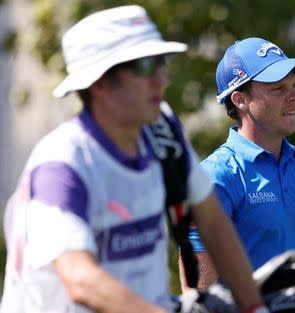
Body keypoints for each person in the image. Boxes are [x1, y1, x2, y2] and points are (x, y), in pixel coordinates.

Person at [0, 6, 267, 313]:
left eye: (161, 62)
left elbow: (213, 221)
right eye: (144, 66)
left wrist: (255, 308)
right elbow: (80, 278)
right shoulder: (61, 165)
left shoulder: (161, 128)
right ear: (98, 83)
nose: (162, 79)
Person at [181, 37, 295, 291]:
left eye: (293, 85)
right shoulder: (214, 177)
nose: (293, 97)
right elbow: (198, 298)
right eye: (277, 89)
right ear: (239, 99)